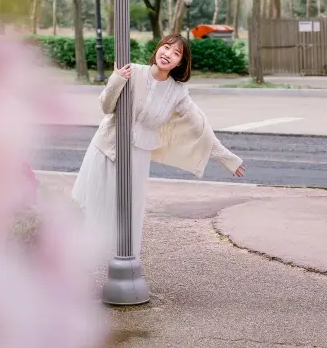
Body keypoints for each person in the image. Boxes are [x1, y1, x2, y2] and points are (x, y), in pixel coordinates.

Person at [72, 34, 245, 257]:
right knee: (89, 206)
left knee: (126, 213)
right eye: (166, 47)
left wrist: (226, 157)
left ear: (180, 63)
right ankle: (70, 259)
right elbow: (106, 107)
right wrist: (117, 79)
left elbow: (199, 127)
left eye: (176, 53)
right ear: (158, 48)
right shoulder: (132, 71)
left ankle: (124, 262)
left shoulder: (177, 92)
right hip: (105, 148)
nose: (168, 55)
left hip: (137, 156)